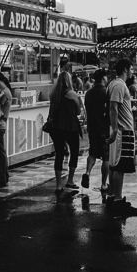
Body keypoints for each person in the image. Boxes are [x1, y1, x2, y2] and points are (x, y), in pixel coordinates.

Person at [106, 59, 137, 216]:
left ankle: (113, 196)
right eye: (131, 68)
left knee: (114, 165)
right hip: (122, 131)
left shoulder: (114, 84)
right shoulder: (119, 85)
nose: (132, 72)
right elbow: (113, 107)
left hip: (119, 130)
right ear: (125, 69)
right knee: (119, 166)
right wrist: (115, 129)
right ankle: (117, 201)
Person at [49, 68, 83, 196]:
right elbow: (78, 111)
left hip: (56, 127)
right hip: (70, 127)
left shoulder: (54, 94)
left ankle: (58, 184)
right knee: (74, 152)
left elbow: (51, 112)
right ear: (69, 81)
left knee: (59, 154)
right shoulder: (71, 94)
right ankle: (70, 180)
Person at [80, 69, 110, 193]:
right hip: (104, 128)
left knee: (92, 153)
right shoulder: (106, 93)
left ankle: (87, 172)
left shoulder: (89, 93)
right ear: (103, 78)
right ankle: (103, 184)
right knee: (106, 157)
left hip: (92, 127)